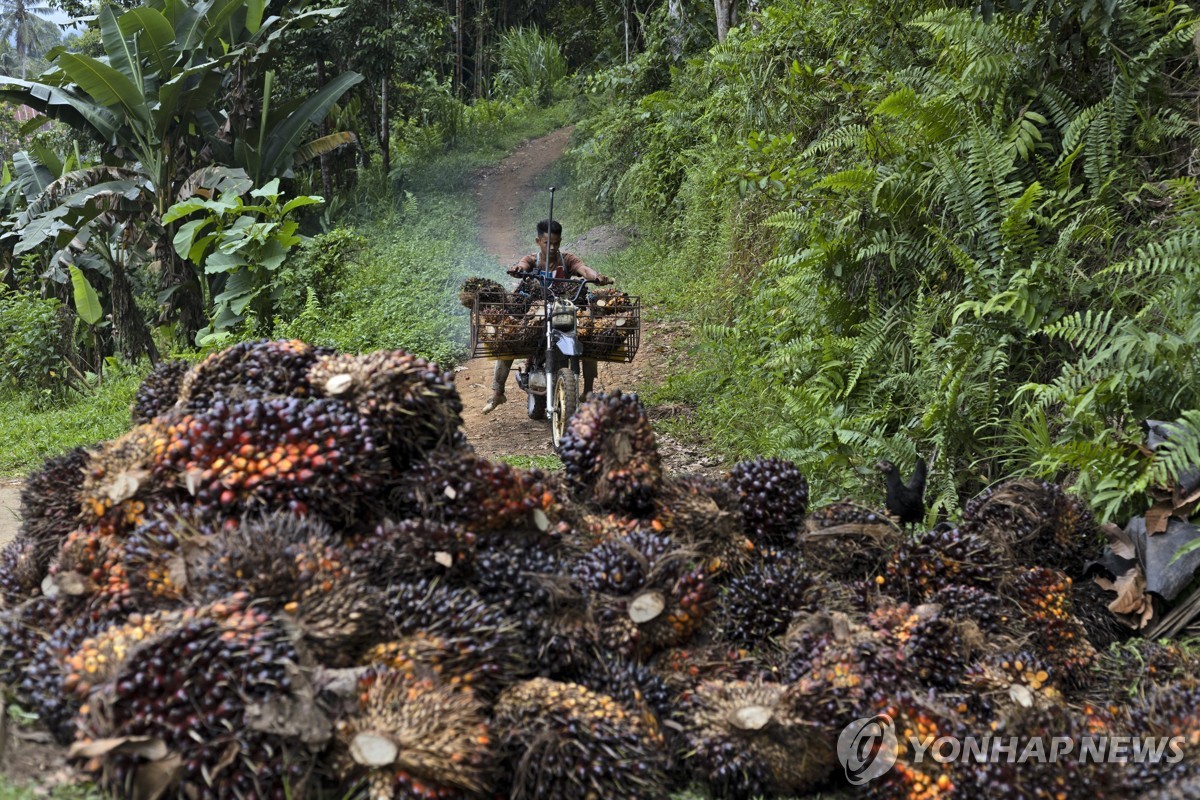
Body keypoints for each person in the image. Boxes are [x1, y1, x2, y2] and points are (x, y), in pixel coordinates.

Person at [482, 219, 613, 414]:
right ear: (538, 241)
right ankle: (497, 392)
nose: (552, 247)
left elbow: (583, 269)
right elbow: (523, 265)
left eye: (556, 243)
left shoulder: (567, 259)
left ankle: (588, 391)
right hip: (535, 313)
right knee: (508, 338)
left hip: (562, 310)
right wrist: (518, 270)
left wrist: (596, 276)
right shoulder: (532, 259)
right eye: (547, 243)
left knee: (588, 338)